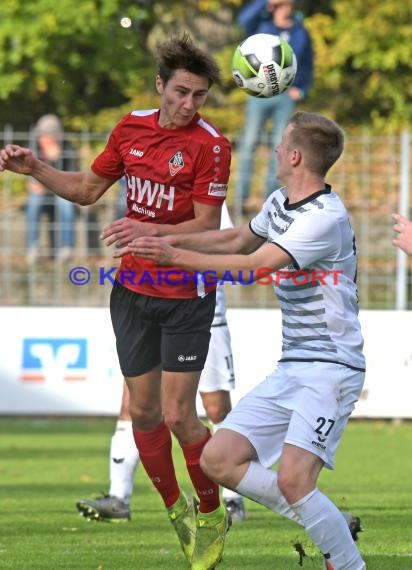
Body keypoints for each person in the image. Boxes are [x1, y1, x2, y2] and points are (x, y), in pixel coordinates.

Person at [0, 33, 232, 570]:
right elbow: (86, 189)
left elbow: (206, 225)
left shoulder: (211, 146)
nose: (189, 104)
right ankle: (175, 509)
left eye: (199, 95)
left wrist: (147, 228)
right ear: (160, 85)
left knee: (180, 415)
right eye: (181, 92)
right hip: (131, 293)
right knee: (144, 413)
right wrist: (34, 168)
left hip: (185, 294)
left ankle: (211, 508)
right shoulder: (130, 128)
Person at [118, 111, 367, 570]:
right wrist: (154, 232)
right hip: (294, 364)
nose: (273, 148)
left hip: (331, 367)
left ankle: (347, 563)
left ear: (295, 156)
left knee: (294, 480)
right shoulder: (280, 201)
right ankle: (322, 518)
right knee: (219, 457)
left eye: (280, 142)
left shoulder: (323, 217)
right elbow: (234, 240)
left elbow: (255, 267)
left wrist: (172, 255)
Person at [76, 283, 246, 523]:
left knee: (216, 407)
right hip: (148, 304)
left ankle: (231, 498)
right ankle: (118, 497)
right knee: (135, 407)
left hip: (199, 310)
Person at [235, 0, 313, 215]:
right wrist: (265, 3)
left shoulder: (300, 31)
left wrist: (302, 89)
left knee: (280, 148)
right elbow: (242, 20)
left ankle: (269, 202)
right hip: (259, 93)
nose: (285, 7)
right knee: (249, 142)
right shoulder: (261, 26)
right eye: (281, 3)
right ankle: (240, 199)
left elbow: (307, 62)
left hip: (285, 96)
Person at [25, 114, 77, 263]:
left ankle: (66, 248)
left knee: (66, 204)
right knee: (33, 202)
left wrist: (56, 160)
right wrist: (35, 184)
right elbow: (29, 179)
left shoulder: (67, 148)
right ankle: (33, 248)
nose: (43, 139)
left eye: (47, 136)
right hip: (40, 191)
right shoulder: (33, 146)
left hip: (61, 190)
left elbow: (72, 177)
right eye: (42, 135)